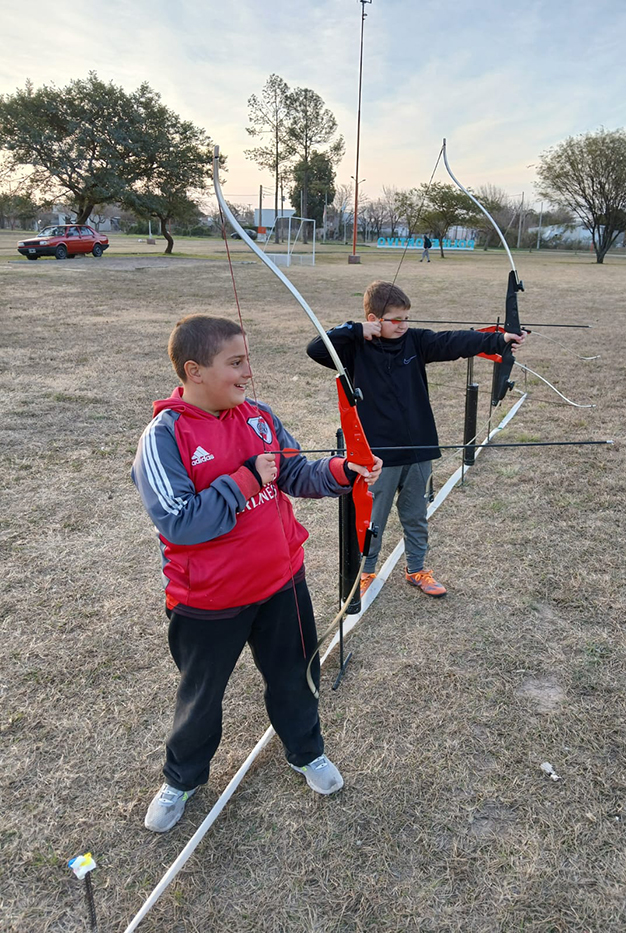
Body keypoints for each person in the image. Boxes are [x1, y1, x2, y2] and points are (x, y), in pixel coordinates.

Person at [131, 314, 382, 832]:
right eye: (236, 363)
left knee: (296, 678)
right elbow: (179, 522)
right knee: (201, 697)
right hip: (207, 602)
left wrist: (340, 471)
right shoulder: (165, 435)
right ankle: (182, 779)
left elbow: (291, 469)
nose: (249, 373)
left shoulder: (259, 416)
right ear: (195, 371)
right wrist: (244, 480)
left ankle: (306, 751)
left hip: (281, 583)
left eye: (249, 359)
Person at [306, 281, 525, 599]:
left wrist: (499, 339)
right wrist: (355, 330)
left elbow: (453, 342)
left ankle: (417, 568)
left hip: (419, 446)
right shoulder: (354, 347)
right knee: (372, 520)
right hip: (378, 455)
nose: (404, 325)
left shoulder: (416, 341)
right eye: (396, 319)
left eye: (407, 318)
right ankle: (365, 573)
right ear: (374, 318)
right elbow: (315, 349)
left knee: (415, 514)